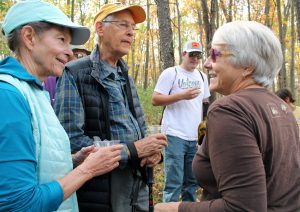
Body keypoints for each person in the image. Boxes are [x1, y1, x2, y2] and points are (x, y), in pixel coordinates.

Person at [155, 21, 300, 211]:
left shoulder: (229, 110)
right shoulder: (282, 107)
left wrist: (174, 208)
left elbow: (243, 207)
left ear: (247, 66)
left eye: (215, 55)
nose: (206, 63)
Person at [0, 1, 123, 211]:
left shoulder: (37, 92)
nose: (70, 52)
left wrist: (72, 160)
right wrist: (88, 170)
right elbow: (18, 204)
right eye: (62, 40)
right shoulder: (9, 96)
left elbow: (35, 164)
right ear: (29, 37)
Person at [54, 2, 167, 212]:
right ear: (100, 28)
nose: (131, 32)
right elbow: (71, 142)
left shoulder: (125, 76)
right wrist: (132, 151)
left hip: (138, 186)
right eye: (123, 25)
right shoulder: (75, 74)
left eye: (133, 27)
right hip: (101, 191)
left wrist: (153, 154)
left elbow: (141, 130)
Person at [152, 40, 210, 202]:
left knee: (192, 182)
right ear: (184, 54)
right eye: (192, 55)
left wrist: (204, 131)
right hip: (174, 134)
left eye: (198, 56)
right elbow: (155, 99)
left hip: (194, 137)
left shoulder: (201, 76)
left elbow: (205, 103)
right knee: (174, 182)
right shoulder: (171, 73)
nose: (195, 59)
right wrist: (181, 96)